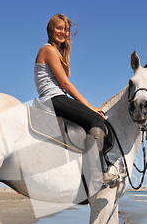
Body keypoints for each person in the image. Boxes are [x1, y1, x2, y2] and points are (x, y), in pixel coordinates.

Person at [34, 13, 120, 191]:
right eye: (59, 28)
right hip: (53, 98)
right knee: (96, 120)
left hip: (53, 97)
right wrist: (90, 107)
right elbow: (65, 84)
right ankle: (94, 175)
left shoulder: (55, 52)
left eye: (65, 30)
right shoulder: (48, 50)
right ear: (50, 30)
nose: (63, 32)